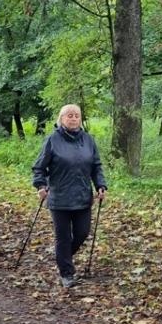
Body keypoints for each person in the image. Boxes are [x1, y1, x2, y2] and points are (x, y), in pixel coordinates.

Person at [32, 104, 107, 288]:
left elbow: (96, 166)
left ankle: (62, 256)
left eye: (77, 115)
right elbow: (39, 167)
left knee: (82, 233)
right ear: (61, 119)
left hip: (82, 196)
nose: (73, 118)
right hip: (59, 198)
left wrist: (100, 185)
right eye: (69, 115)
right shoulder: (52, 140)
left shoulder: (88, 140)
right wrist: (41, 185)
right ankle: (66, 273)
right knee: (63, 237)